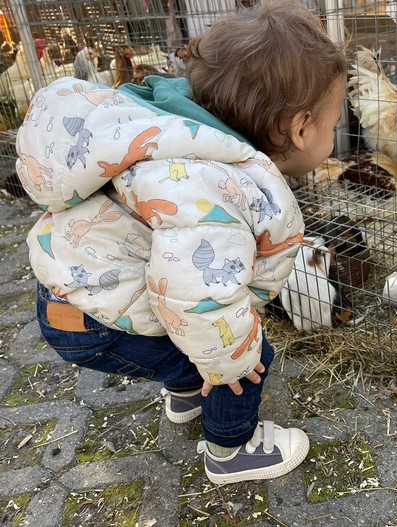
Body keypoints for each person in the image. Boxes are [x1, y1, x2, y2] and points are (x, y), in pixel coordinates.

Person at [16, 0, 347, 485]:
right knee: (244, 354)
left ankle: (187, 393)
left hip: (73, 295)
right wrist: (229, 363)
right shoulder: (215, 190)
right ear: (300, 129)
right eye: (333, 125)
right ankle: (231, 450)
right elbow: (201, 301)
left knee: (202, 341)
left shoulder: (171, 138)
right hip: (94, 321)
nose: (335, 137)